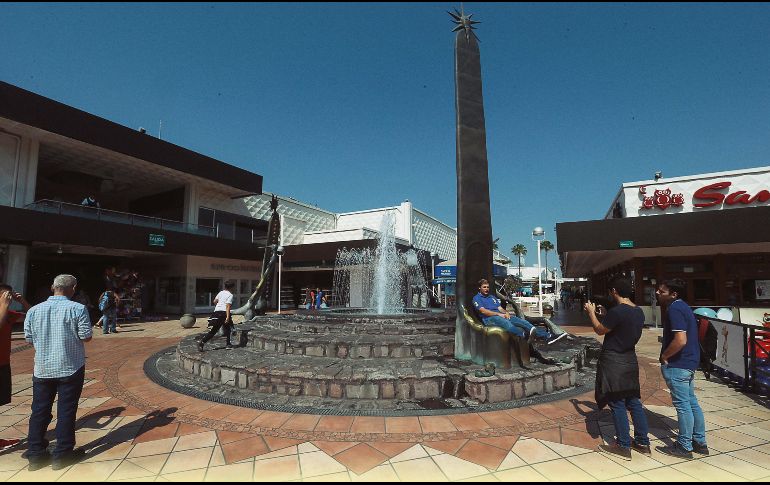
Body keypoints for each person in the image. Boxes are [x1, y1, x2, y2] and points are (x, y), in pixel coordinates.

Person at [24, 274, 92, 471]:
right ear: (73, 288)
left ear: (53, 287)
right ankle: (62, 453)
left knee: (39, 411)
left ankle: (35, 454)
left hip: (43, 368)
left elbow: (28, 339)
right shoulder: (78, 309)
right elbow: (86, 336)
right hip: (70, 366)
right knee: (66, 410)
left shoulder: (34, 310)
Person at [584, 276, 650, 461]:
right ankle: (643, 442)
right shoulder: (638, 311)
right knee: (634, 401)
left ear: (614, 291)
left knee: (617, 402)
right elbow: (620, 326)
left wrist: (591, 312)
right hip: (630, 359)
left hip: (614, 360)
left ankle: (623, 445)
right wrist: (606, 314)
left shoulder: (617, 311)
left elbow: (599, 330)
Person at [655, 278, 708, 459]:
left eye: (661, 292)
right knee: (691, 402)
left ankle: (684, 446)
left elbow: (680, 340)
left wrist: (665, 356)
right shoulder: (685, 307)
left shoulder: (675, 309)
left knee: (683, 405)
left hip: (678, 364)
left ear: (673, 294)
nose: (657, 293)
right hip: (690, 362)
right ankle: (700, 442)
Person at [472, 279, 565, 345]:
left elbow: (500, 308)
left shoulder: (492, 297)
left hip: (500, 315)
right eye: (484, 287)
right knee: (507, 324)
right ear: (479, 288)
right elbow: (483, 311)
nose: (486, 289)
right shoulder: (476, 298)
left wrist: (506, 312)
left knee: (522, 322)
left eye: (487, 287)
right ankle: (526, 336)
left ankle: (547, 336)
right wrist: (499, 314)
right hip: (489, 319)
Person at [0, 285, 31, 452]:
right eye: (4, 294)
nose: (8, 297)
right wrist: (3, 305)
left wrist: (22, 301)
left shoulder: (9, 314)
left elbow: (32, 315)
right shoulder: (4, 311)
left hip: (3, 364)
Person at [198, 281, 235, 351]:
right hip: (223, 313)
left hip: (216, 312)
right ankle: (228, 344)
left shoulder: (220, 293)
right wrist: (227, 317)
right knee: (228, 329)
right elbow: (228, 306)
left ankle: (202, 342)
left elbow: (214, 301)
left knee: (215, 330)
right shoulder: (230, 295)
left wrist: (219, 305)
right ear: (232, 287)